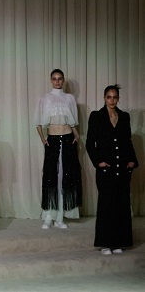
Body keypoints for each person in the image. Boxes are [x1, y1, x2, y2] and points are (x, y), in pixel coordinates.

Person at [86, 85, 139, 255]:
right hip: (106, 169)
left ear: (118, 99)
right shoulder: (96, 116)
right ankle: (105, 243)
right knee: (107, 205)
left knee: (121, 204)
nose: (112, 100)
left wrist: (132, 160)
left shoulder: (124, 116)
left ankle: (119, 242)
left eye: (115, 97)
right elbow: (90, 143)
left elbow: (127, 141)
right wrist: (98, 162)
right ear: (104, 98)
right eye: (109, 97)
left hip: (122, 168)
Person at [34, 69, 82, 229]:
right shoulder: (45, 98)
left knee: (65, 177)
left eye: (60, 79)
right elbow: (38, 122)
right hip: (52, 140)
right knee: (51, 177)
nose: (57, 81)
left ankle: (60, 217)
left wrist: (77, 135)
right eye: (54, 79)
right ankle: (49, 216)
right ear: (51, 80)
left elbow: (73, 121)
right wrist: (43, 139)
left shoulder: (69, 98)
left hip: (68, 139)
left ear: (63, 80)